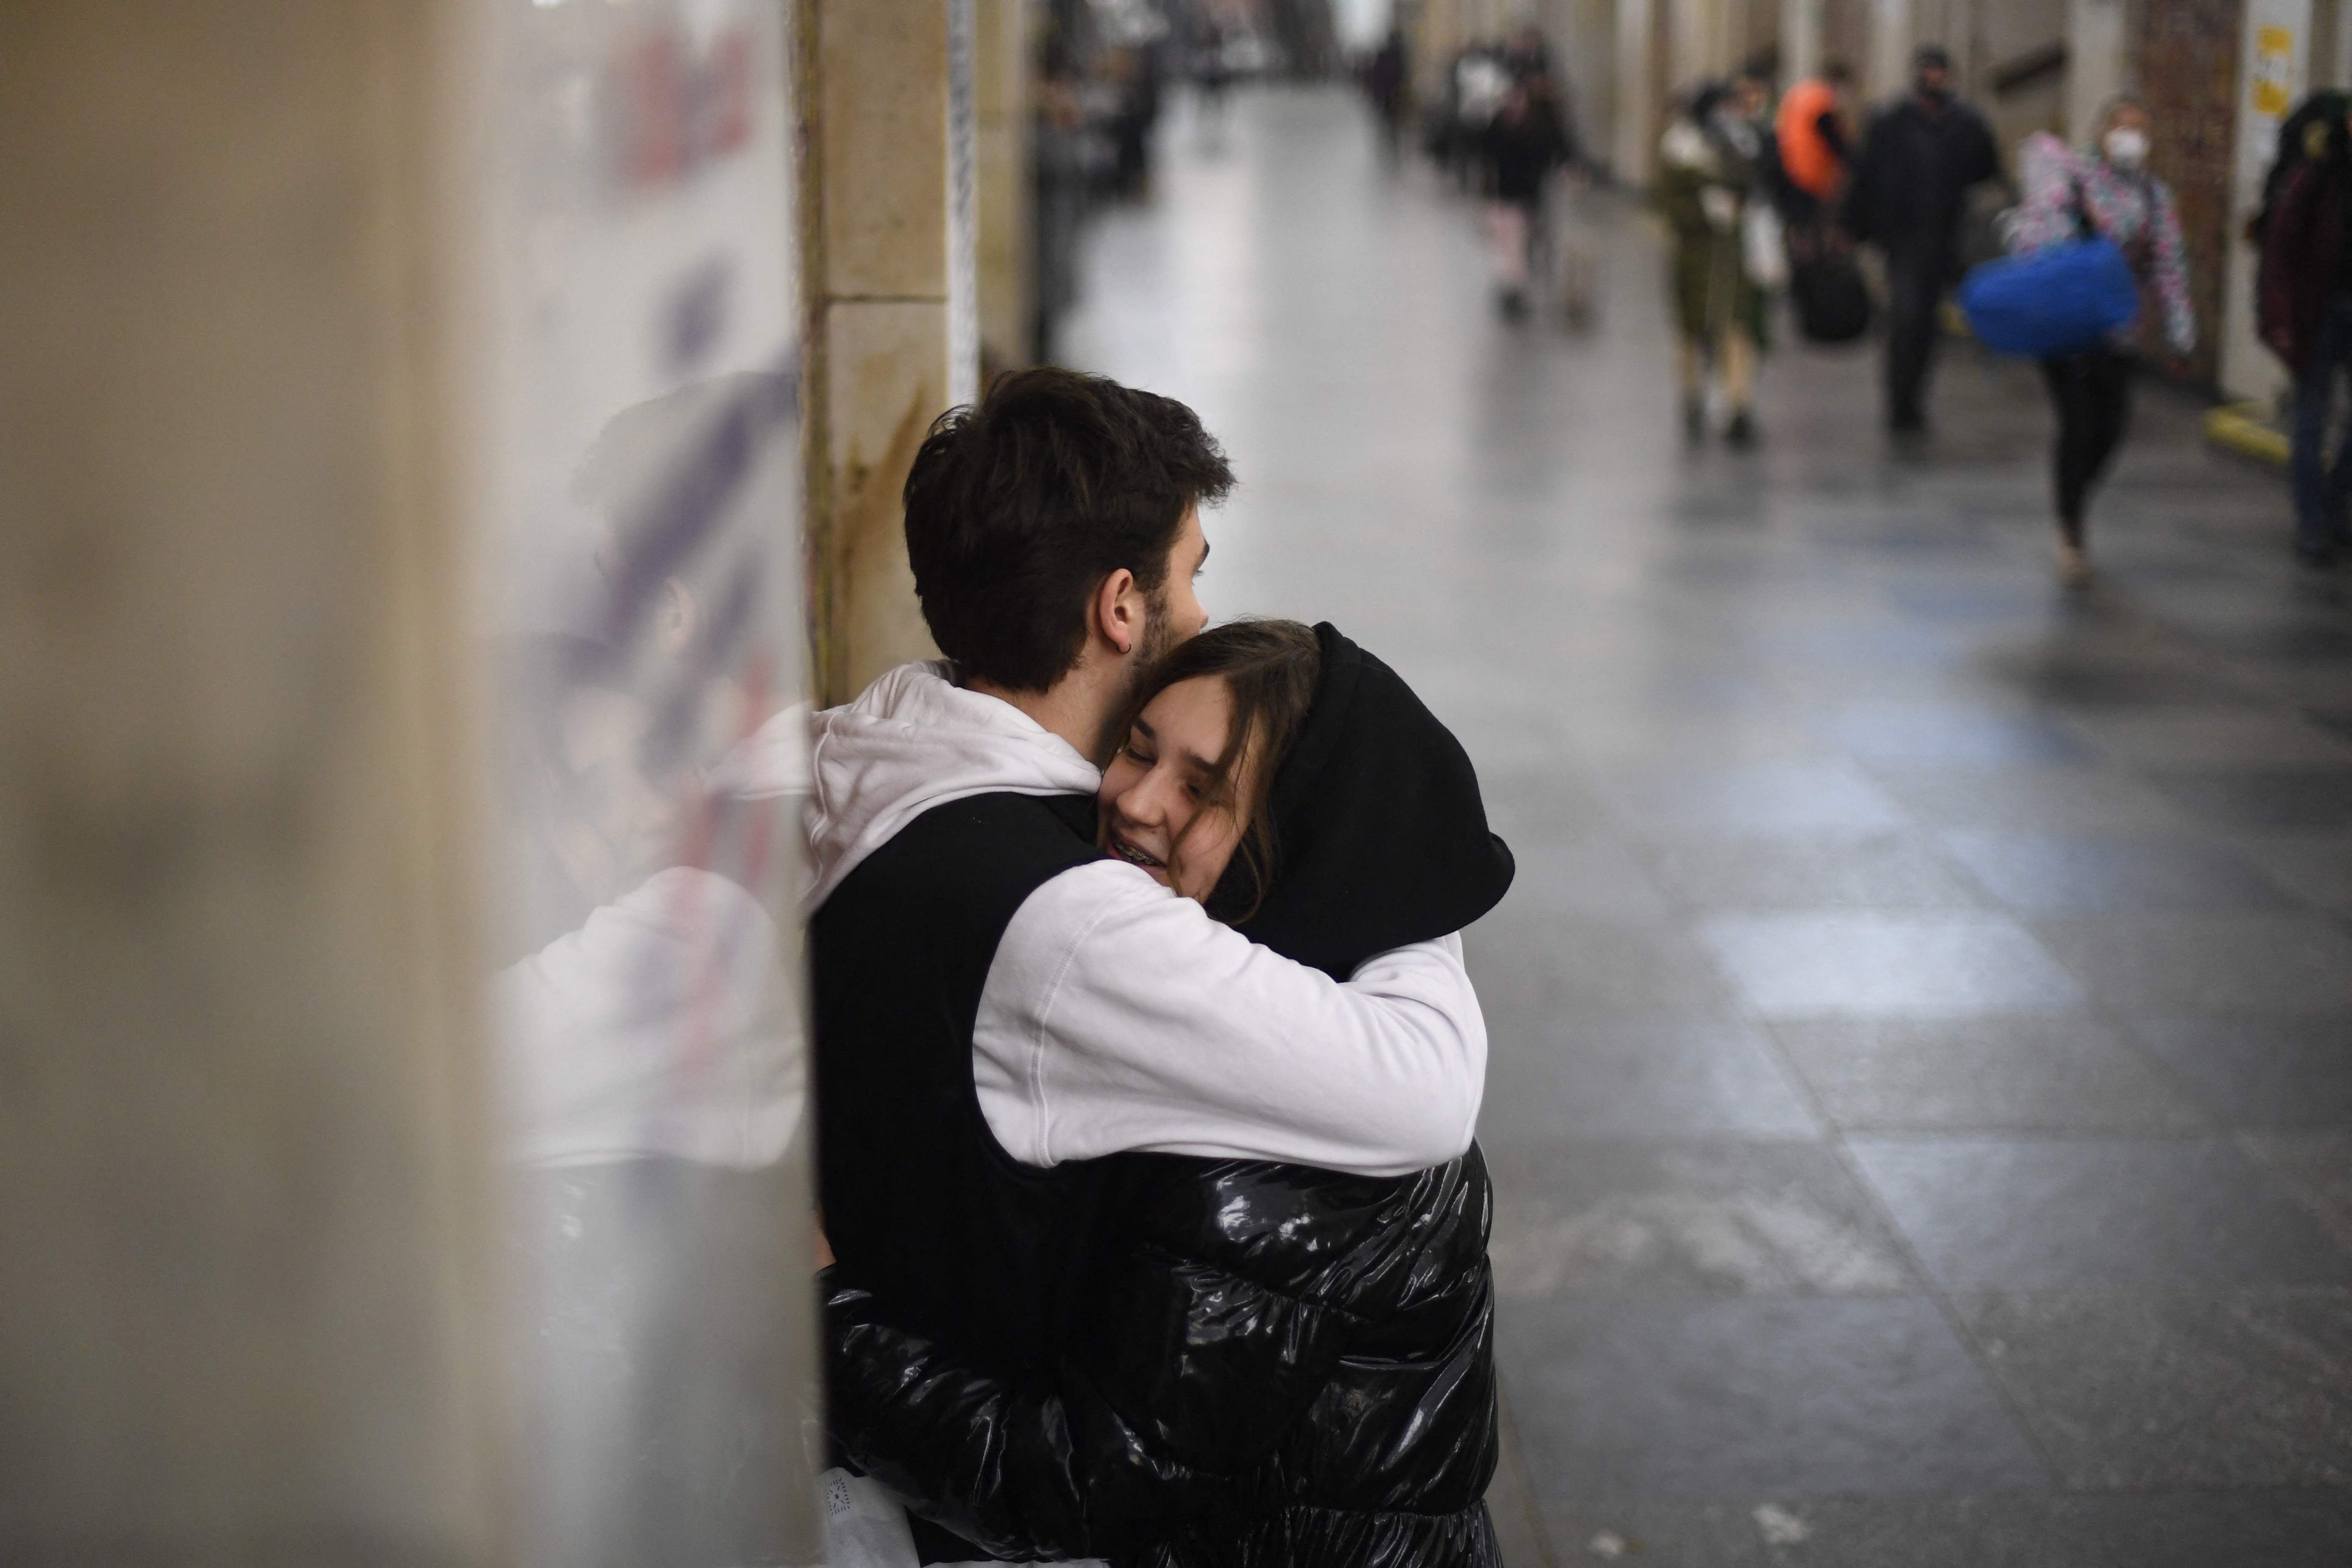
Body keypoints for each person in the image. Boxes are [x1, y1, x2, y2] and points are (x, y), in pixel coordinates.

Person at [804, 368, 1491, 1564]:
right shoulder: (1082, 924)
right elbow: (1423, 1085)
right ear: (1123, 607)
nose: (1199, 598)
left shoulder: (873, 749)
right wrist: (1392, 859)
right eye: (1191, 567)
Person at [2006, 101, 2194, 584]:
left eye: (2140, 131)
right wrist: (2074, 231)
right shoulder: (2069, 181)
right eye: (2123, 129)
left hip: (2117, 331)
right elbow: (2031, 237)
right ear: (2102, 133)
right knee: (2078, 422)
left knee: (2110, 427)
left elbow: (2169, 265)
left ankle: (2074, 496)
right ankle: (2071, 530)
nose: (2131, 140)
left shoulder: (2154, 195)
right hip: (2066, 327)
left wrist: (2180, 333)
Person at [1843, 44, 2000, 436]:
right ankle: (1900, 400)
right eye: (1926, 72)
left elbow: (1986, 171)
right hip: (1903, 238)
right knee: (1907, 318)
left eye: (1939, 73)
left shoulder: (1966, 124)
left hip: (1946, 237)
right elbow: (1865, 178)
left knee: (1929, 325)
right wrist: (1856, 228)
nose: (1933, 80)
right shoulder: (1891, 123)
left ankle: (1914, 399)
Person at [2259, 101, 2352, 566]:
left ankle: (2336, 501)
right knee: (2311, 416)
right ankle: (2311, 520)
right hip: (2319, 314)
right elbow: (2279, 254)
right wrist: (2280, 320)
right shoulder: (2312, 178)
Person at [1659, 81, 1770, 445]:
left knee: (1736, 332)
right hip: (1693, 257)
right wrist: (1708, 211)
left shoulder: (1741, 143)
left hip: (1731, 258)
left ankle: (1738, 407)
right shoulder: (1680, 149)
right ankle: (1692, 400)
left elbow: (1755, 185)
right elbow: (1668, 203)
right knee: (1691, 333)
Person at [1479, 73, 1574, 318]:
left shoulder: (1537, 127)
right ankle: (1511, 289)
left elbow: (1556, 149)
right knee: (1508, 244)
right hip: (1502, 195)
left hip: (1527, 196)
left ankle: (1515, 287)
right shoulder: (1497, 125)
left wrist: (1567, 168)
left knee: (1520, 243)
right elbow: (1484, 157)